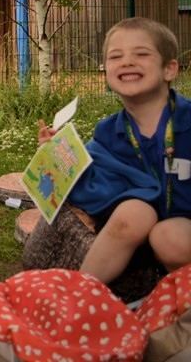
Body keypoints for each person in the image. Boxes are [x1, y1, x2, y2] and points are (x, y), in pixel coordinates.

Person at [38, 17, 190, 285]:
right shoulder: (108, 133)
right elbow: (92, 181)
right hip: (141, 236)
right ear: (106, 71)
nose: (127, 61)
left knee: (168, 237)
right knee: (135, 213)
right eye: (115, 56)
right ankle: (82, 294)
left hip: (181, 232)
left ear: (169, 69)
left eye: (141, 54)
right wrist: (56, 153)